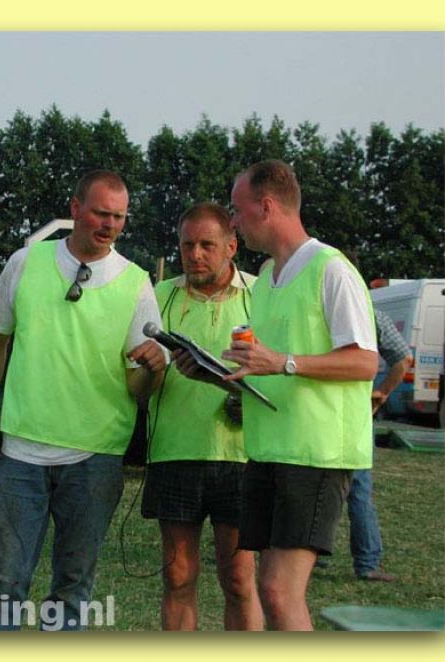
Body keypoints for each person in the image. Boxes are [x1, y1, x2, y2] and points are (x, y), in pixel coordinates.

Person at [177, 160, 378, 630]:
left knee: (278, 590)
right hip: (268, 451)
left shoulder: (332, 269)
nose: (233, 221)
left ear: (266, 206)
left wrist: (284, 361)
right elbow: (267, 367)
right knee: (270, 591)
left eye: (237, 209)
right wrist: (215, 374)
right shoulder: (267, 276)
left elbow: (365, 362)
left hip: (317, 453)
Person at [0, 170, 167, 630]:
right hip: (21, 451)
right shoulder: (25, 262)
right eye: (101, 213)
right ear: (75, 208)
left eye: (119, 217)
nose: (110, 225)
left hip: (95, 458)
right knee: (3, 582)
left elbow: (138, 389)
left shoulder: (136, 282)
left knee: (72, 588)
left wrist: (155, 370)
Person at [142, 202, 263, 630]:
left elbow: (282, 372)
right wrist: (147, 367)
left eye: (207, 245)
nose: (195, 255)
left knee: (239, 580)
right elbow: (136, 376)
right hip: (175, 451)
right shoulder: (158, 296)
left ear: (232, 246)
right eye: (187, 245)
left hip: (243, 456)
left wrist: (249, 402)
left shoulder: (262, 294)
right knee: (177, 576)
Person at [343, 308, 412, 581]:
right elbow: (403, 358)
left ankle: (312, 555)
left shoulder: (311, 308)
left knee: (316, 484)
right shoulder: (372, 315)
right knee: (358, 488)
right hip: (356, 411)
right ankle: (367, 562)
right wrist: (381, 393)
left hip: (317, 411)